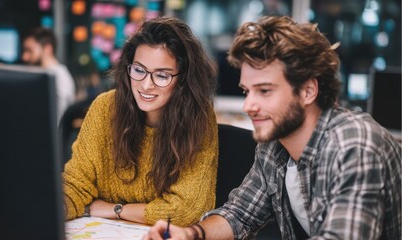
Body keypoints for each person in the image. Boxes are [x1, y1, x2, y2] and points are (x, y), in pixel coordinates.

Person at [144, 16, 401, 239]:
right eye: (246, 91)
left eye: (264, 91)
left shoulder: (355, 146)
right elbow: (239, 215)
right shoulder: (275, 144)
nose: (249, 105)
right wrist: (190, 234)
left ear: (308, 90)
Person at [62, 16, 219, 227]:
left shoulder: (198, 119)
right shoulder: (105, 108)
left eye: (162, 76)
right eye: (139, 70)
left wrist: (115, 209)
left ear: (183, 80)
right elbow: (75, 185)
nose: (146, 85)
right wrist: (51, 209)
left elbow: (185, 210)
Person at [22, 27, 76, 122]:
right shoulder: (45, 75)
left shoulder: (58, 76)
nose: (25, 57)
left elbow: (57, 120)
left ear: (47, 48)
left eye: (29, 51)